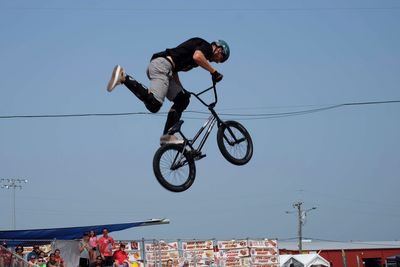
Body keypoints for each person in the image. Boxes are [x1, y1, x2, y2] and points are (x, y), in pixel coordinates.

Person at [106, 37, 230, 144]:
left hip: (167, 69)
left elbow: (175, 69)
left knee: (182, 99)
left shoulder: (197, 58)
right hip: (162, 65)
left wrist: (182, 89)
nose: (219, 62)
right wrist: (214, 72)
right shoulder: (207, 47)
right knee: (155, 103)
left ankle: (167, 136)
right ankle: (124, 77)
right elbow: (197, 57)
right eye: (221, 58)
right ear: (219, 49)